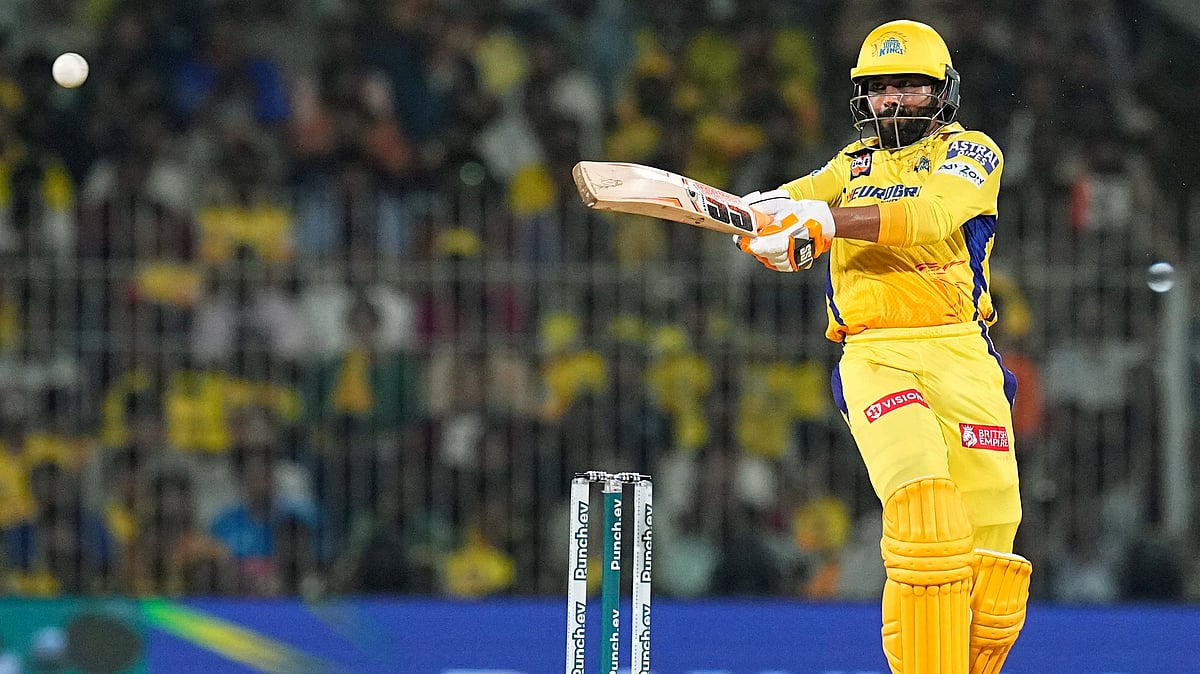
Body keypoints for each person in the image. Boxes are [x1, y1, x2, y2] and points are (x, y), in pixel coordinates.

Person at [733, 19, 1032, 674]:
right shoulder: (852, 164)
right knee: (925, 522)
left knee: (992, 561)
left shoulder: (973, 152)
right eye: (879, 89)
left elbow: (927, 217)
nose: (893, 101)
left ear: (943, 93)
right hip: (876, 353)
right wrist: (762, 219)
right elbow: (792, 203)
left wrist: (825, 222)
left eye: (910, 88)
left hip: (961, 354)